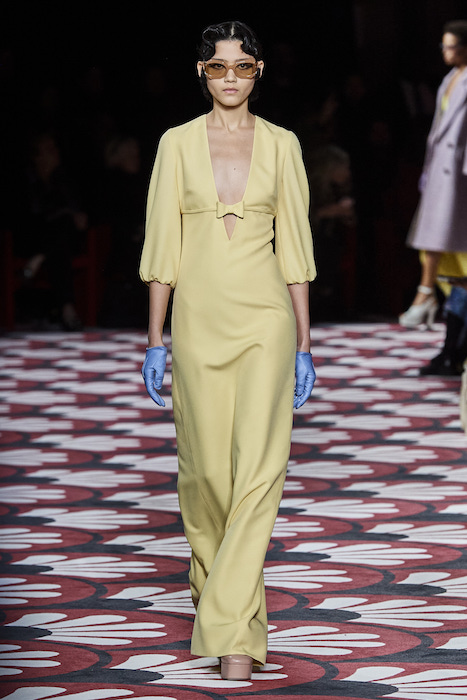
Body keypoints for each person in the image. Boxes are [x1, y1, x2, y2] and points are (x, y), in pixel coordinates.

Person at [139, 21, 316, 681]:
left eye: (243, 66)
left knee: (260, 471)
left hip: (267, 320)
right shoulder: (176, 143)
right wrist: (155, 339)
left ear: (258, 70)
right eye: (219, 67)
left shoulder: (283, 144)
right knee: (205, 475)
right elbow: (162, 244)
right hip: (199, 321)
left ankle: (232, 636)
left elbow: (295, 247)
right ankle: (230, 616)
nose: (231, 77)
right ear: (201, 72)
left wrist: (304, 343)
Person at [399, 20, 467, 329]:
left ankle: (426, 297)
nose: (445, 51)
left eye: (451, 46)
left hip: (459, 170)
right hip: (443, 167)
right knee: (433, 236)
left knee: (442, 237)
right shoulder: (450, 78)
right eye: (444, 46)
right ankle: (427, 296)